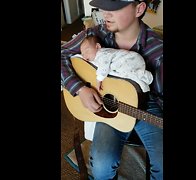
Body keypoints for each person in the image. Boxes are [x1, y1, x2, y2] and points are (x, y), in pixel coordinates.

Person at [61, 0, 163, 179]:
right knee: (101, 165)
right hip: (109, 105)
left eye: (114, 7)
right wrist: (79, 89)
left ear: (139, 9)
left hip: (148, 106)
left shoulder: (157, 50)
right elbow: (62, 55)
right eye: (104, 6)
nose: (105, 13)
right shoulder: (95, 34)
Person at [80, 35, 153, 92]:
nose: (85, 55)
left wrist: (99, 80)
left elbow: (103, 67)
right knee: (127, 75)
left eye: (87, 51)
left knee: (127, 71)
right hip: (133, 61)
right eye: (83, 54)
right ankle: (140, 77)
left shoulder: (102, 53)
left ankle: (142, 75)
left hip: (131, 59)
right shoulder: (96, 57)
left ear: (98, 47)